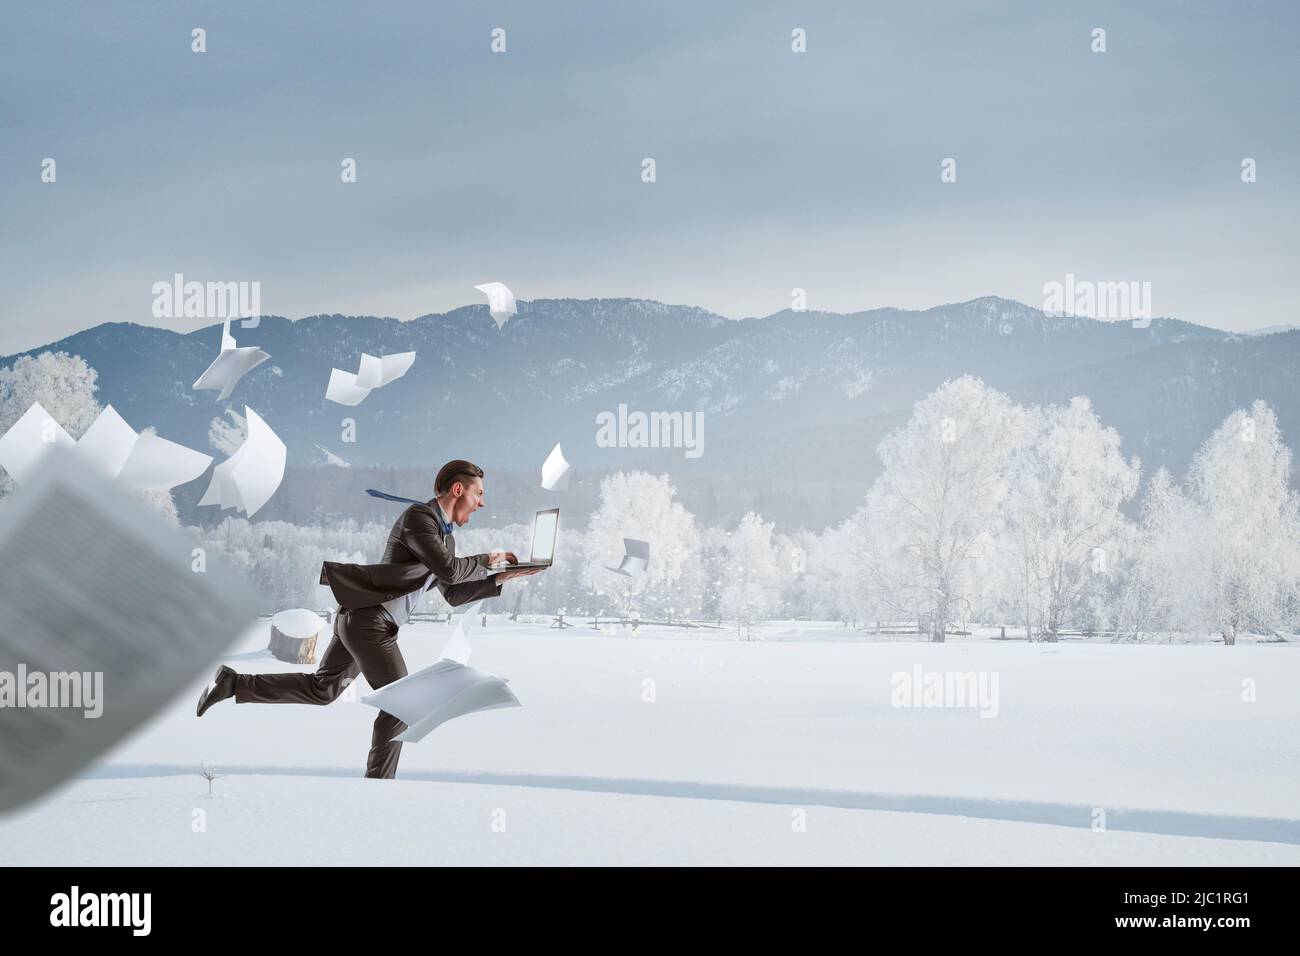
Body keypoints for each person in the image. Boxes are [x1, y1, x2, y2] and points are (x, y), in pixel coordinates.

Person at [196, 459, 541, 778]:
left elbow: (451, 592)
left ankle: (233, 683)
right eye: (479, 493)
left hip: (360, 621)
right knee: (402, 706)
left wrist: (498, 579)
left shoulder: (442, 539)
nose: (482, 503)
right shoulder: (419, 519)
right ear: (457, 490)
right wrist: (488, 559)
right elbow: (450, 572)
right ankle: (377, 790)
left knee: (323, 689)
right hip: (369, 624)